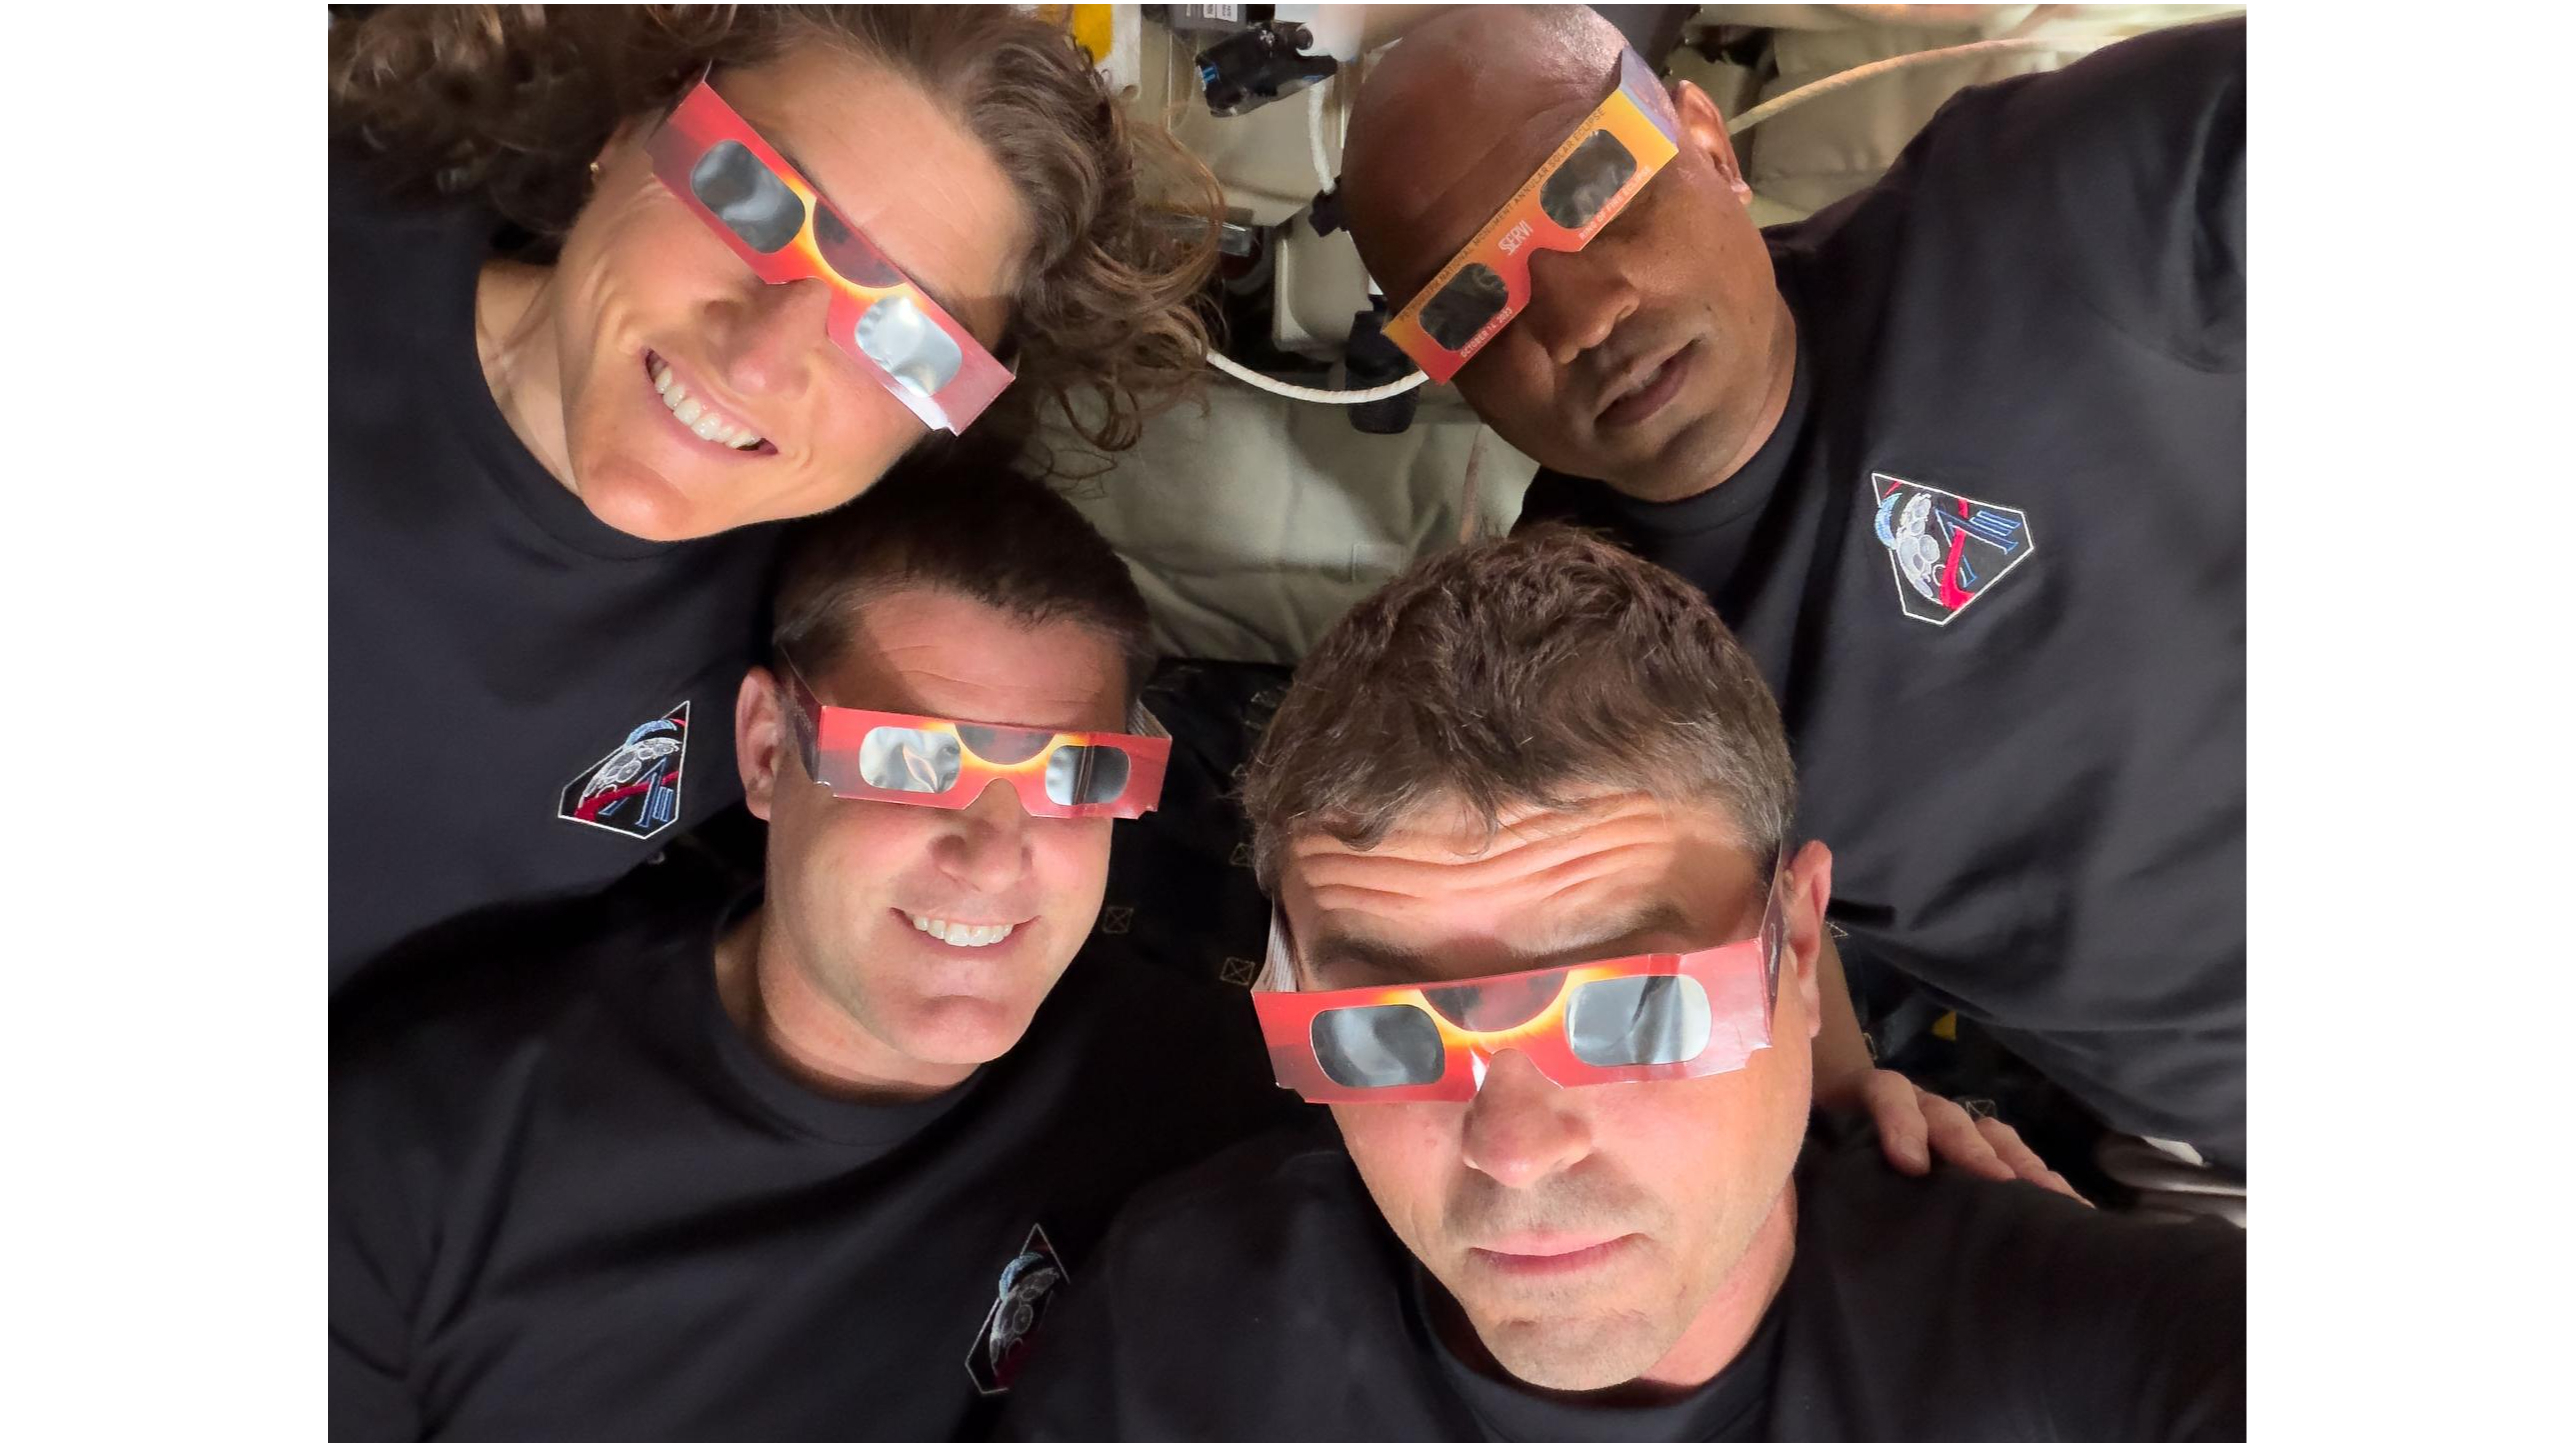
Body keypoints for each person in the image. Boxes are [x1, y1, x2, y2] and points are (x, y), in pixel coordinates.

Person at [1002, 526, 2244, 1441]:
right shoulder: (1179, 1321)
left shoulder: (2091, 1354)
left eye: (1630, 1007)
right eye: (1387, 1033)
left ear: (1797, 952)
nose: (1516, 1147)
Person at [1337, 6, 2248, 1177]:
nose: (1578, 317)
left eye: (1589, 188)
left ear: (1705, 143)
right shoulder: (1578, 649)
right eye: (1471, 303)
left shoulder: (2039, 210)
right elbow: (1734, 899)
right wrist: (1842, 1086)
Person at [329, 467, 1301, 1440]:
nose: (993, 851)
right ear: (763, 751)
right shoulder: (422, 1143)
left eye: (1074, 774)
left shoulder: (1226, 1119)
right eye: (911, 761)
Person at [327, 6, 1217, 985]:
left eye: (903, 336)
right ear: (628, 135)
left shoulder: (818, 665)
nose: (759, 359)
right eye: (745, 199)